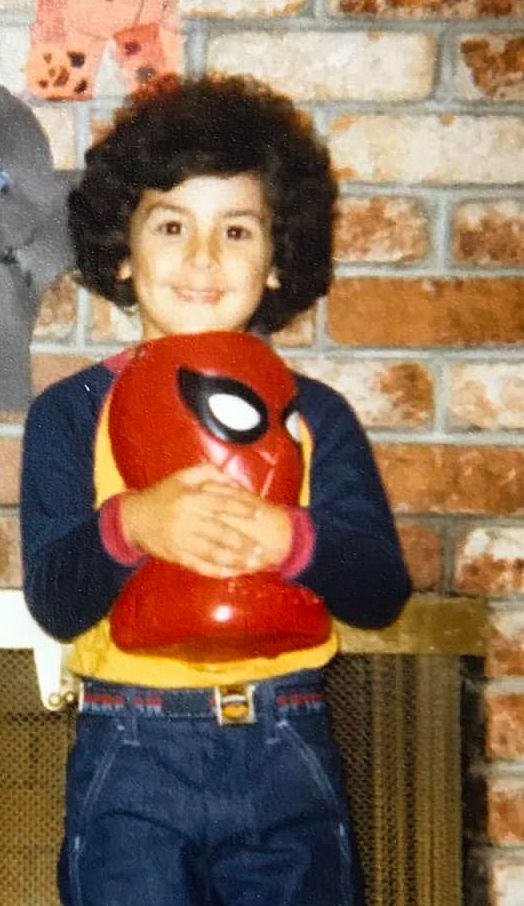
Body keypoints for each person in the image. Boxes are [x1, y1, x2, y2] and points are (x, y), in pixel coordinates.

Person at [21, 73, 411, 906]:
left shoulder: (313, 414)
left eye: (236, 230)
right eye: (172, 225)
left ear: (276, 262)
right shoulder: (70, 412)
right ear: (122, 253)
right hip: (129, 746)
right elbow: (53, 601)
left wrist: (290, 540)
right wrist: (133, 524)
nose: (203, 257)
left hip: (286, 738)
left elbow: (381, 590)